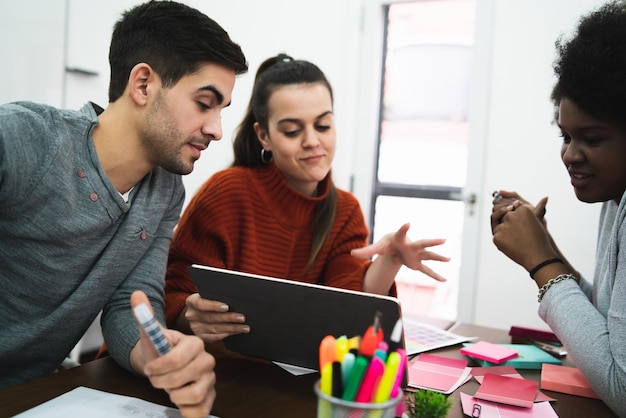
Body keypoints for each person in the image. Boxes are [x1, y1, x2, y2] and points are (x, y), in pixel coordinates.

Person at [0, 1, 247, 416]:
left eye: (221, 111)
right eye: (205, 103)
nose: (217, 130)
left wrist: (157, 354)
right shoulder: (24, 138)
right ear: (144, 84)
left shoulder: (166, 191)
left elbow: (129, 305)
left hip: (39, 393)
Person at [165, 53, 449, 344]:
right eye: (292, 130)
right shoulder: (226, 193)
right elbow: (172, 296)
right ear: (264, 136)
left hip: (306, 380)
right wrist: (193, 316)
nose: (312, 141)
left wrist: (390, 260)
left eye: (323, 126)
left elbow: (348, 307)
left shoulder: (346, 210)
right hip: (226, 372)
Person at [490, 2, 626, 416]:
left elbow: (621, 385)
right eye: (566, 135)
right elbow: (608, 325)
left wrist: (540, 260)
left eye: (592, 138)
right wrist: (545, 247)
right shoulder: (616, 199)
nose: (570, 155)